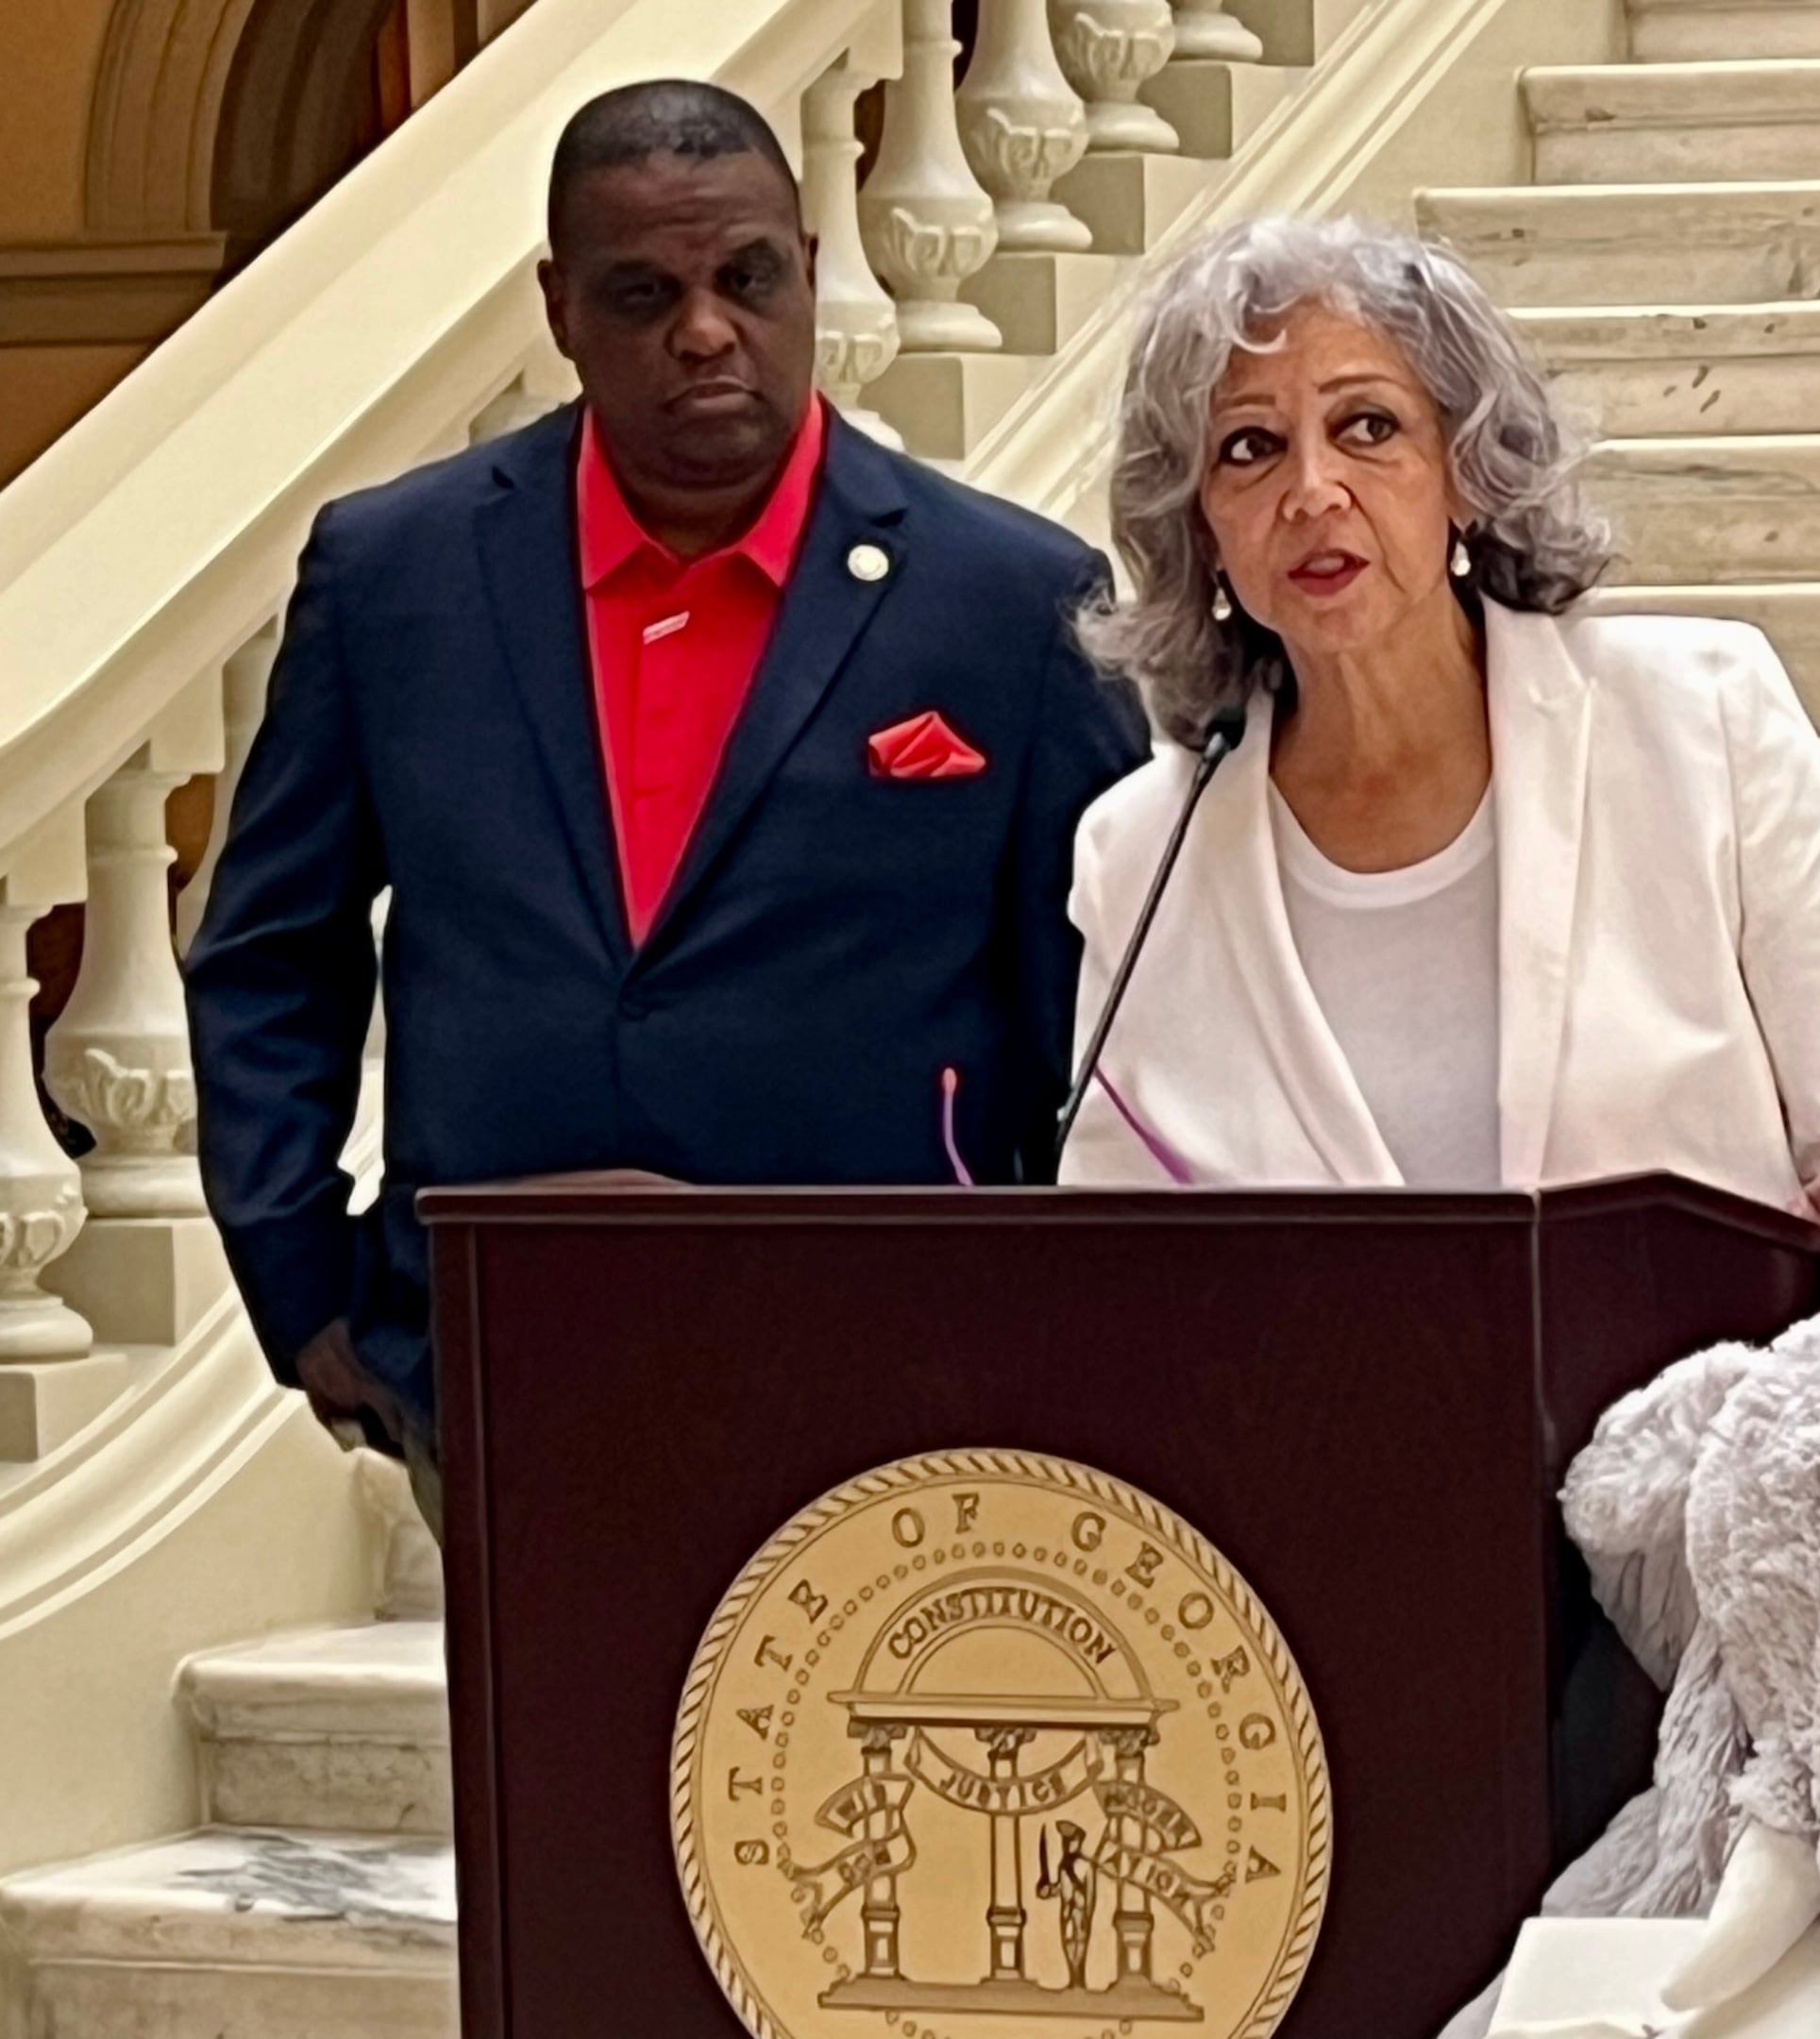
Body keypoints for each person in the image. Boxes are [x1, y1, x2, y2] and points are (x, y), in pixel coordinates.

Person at [186, 82, 1142, 1526]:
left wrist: (1058, 1330)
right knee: (549, 1762)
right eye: (644, 294)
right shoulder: (397, 580)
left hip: (904, 1376)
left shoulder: (1010, 607)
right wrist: (302, 1281)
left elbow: (1112, 1010)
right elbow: (270, 950)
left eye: (746, 279)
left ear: (811, 270)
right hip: (507, 1359)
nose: (705, 332)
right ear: (560, 308)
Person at [1056, 214, 1820, 1289]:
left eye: (1368, 427)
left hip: (1703, 1432)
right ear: (1202, 530)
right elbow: (1114, 1258)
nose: (1313, 490)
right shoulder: (1141, 851)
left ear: (1463, 472)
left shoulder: (1697, 718)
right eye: (1249, 447)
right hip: (1315, 1447)